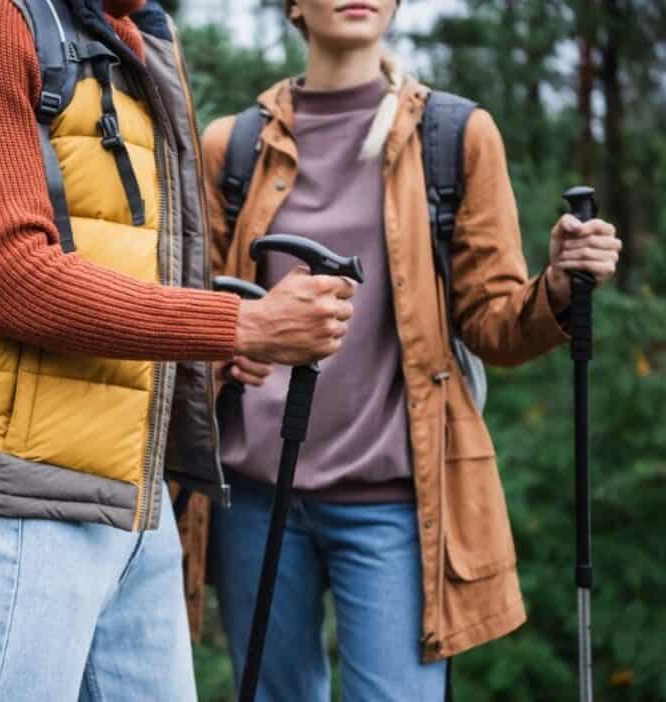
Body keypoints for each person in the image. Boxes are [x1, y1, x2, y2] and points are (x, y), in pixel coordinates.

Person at [0, 0, 356, 699]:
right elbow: (14, 279)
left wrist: (202, 354)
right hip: (20, 503)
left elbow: (120, 259)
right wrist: (239, 326)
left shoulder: (129, 32)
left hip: (135, 500)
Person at [187, 0, 622, 700]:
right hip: (255, 496)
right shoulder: (232, 146)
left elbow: (493, 324)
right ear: (294, 6)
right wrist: (222, 348)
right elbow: (198, 309)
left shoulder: (454, 136)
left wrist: (561, 288)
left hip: (396, 500)